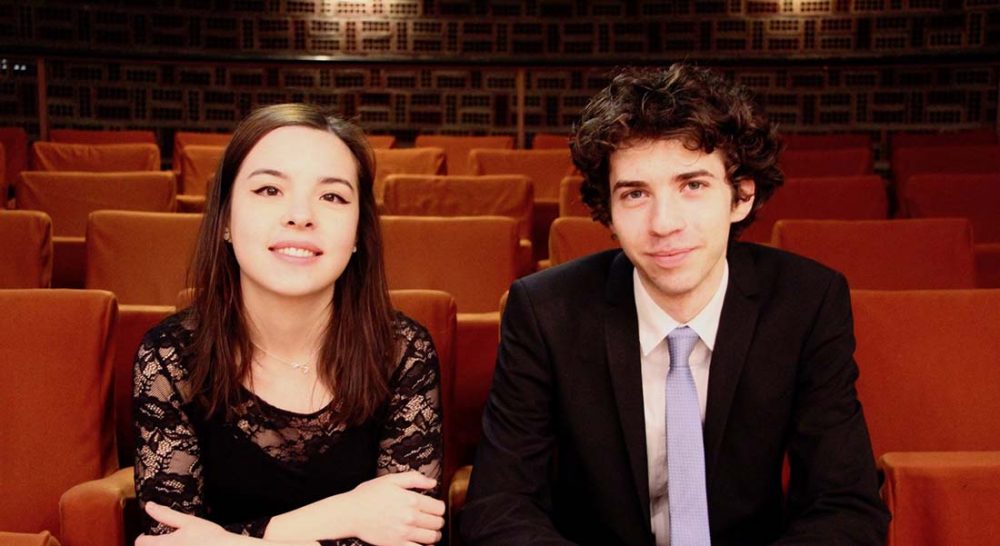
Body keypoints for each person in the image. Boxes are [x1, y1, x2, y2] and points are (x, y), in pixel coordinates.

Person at [461, 64, 890, 545]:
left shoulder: (807, 303)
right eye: (636, 193)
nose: (664, 223)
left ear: (741, 195)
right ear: (609, 210)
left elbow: (846, 508)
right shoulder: (544, 311)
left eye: (693, 185)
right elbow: (499, 508)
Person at [133, 104, 445, 546]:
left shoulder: (402, 351)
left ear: (358, 233)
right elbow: (167, 538)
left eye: (332, 196)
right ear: (223, 219)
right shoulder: (170, 356)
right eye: (268, 190)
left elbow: (411, 536)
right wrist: (342, 514)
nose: (301, 215)